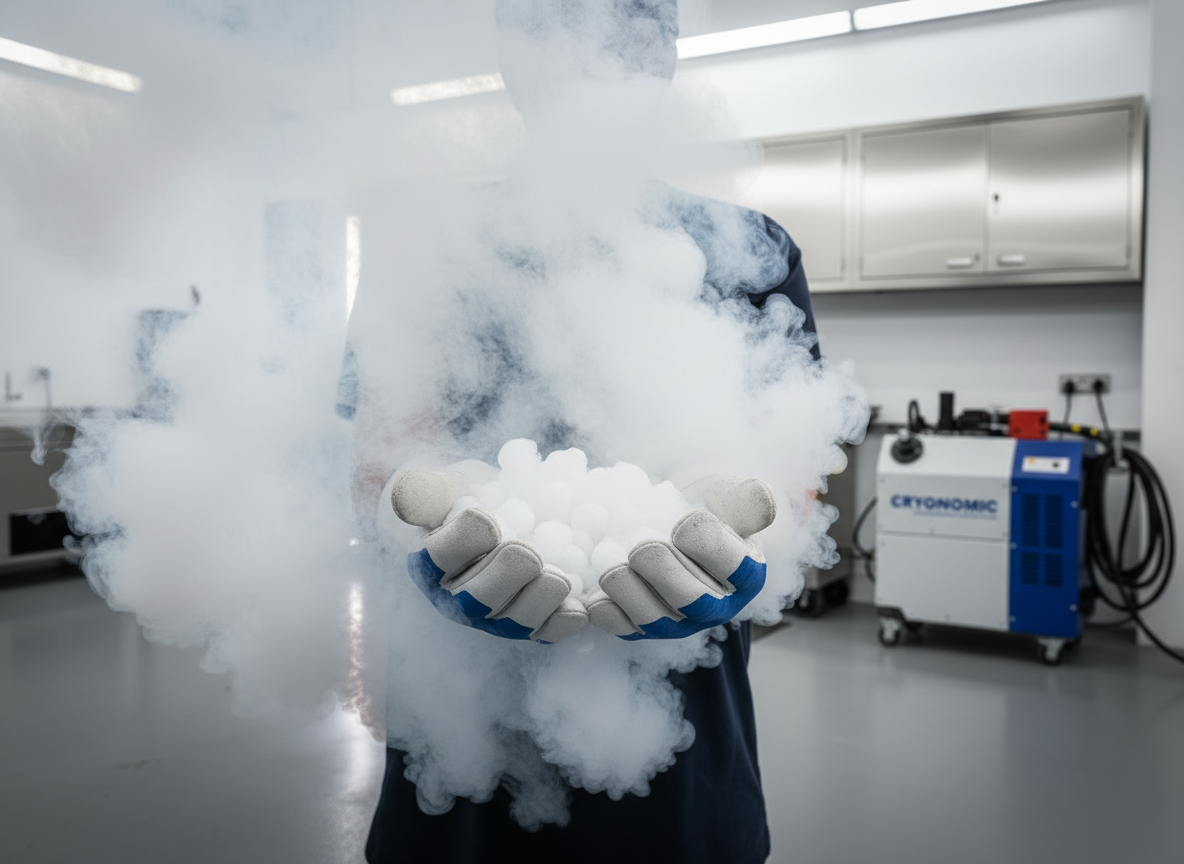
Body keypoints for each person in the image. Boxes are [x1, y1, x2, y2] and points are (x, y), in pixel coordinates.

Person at [343, 2, 820, 861]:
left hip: (684, 765)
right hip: (459, 760)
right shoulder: (430, 245)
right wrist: (411, 517)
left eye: (631, 23)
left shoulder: (751, 249)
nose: (594, 48)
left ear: (665, 49)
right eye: (556, 18)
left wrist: (752, 533)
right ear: (510, 49)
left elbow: (796, 480)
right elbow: (379, 455)